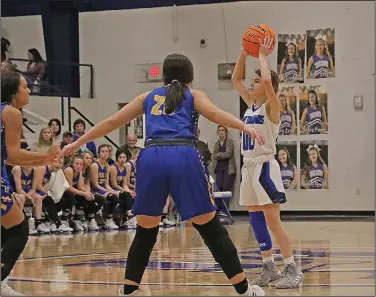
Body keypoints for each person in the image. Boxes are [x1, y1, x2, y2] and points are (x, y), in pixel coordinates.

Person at [62, 53, 266, 296]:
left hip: (151, 156)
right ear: (190, 77)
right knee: (210, 228)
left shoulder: (147, 97)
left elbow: (111, 122)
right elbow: (214, 113)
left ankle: (129, 290)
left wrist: (77, 144)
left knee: (146, 229)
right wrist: (245, 127)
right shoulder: (194, 95)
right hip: (183, 154)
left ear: (164, 77)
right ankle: (244, 289)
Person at [232, 37, 303, 289]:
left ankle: (293, 268)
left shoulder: (273, 106)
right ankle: (269, 266)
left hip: (265, 168)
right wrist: (244, 51)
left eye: (257, 81)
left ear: (267, 84)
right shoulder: (251, 105)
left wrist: (262, 55)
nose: (252, 84)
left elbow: (268, 84)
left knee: (274, 222)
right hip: (248, 167)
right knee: (255, 220)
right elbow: (235, 80)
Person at [1, 71, 59, 295]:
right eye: (25, 87)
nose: (28, 90)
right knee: (19, 230)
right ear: (13, 91)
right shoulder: (11, 112)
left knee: (7, 228)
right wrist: (45, 158)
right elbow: (13, 156)